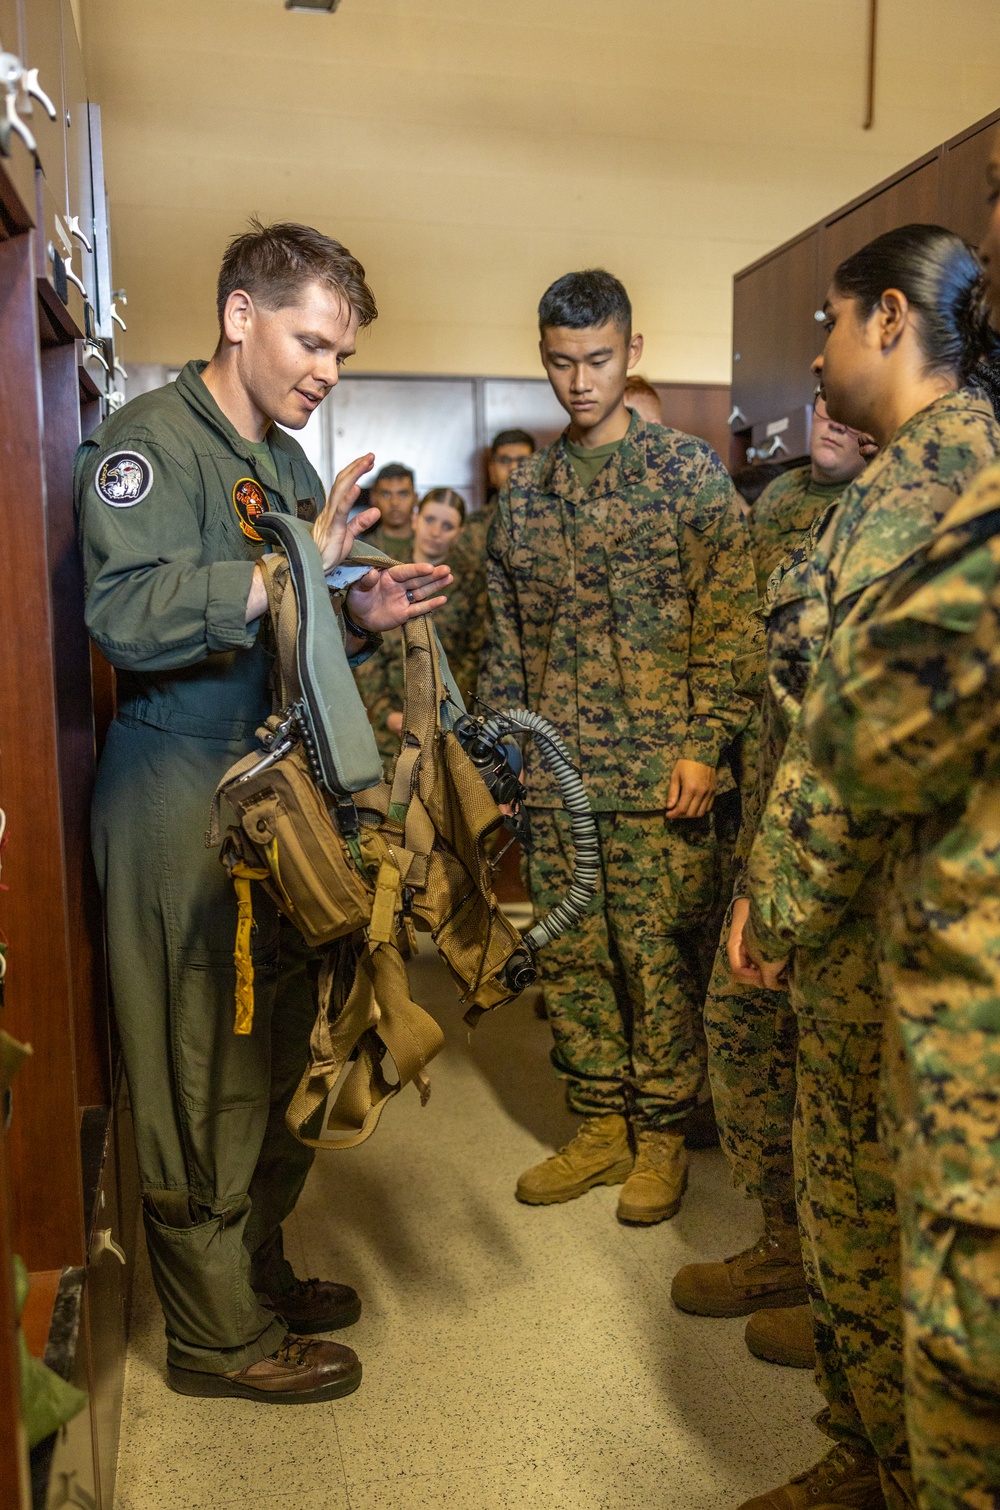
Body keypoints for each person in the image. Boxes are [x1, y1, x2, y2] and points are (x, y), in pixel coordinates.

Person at [77, 220, 452, 1405]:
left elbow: (293, 606)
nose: (326, 370)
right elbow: (124, 612)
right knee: (202, 1070)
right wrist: (288, 573)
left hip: (274, 794)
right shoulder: (146, 445)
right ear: (241, 315)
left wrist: (356, 609)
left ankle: (251, 1264)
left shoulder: (286, 465)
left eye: (339, 352)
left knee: (285, 1043)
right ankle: (214, 1336)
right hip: (179, 791)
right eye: (311, 340)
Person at [732, 225, 1000, 1510]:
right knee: (859, 1208)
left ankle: (890, 1464)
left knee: (870, 1213)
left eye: (830, 324)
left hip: (887, 931)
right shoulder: (906, 477)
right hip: (869, 927)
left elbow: (855, 746)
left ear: (888, 319)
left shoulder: (931, 492)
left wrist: (775, 904)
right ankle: (868, 1443)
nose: (820, 352)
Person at [480, 268, 756, 1225]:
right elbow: (506, 637)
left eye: (598, 360)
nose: (581, 382)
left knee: (658, 961)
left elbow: (732, 624)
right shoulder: (527, 491)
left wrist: (704, 743)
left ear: (632, 353)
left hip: (660, 780)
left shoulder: (686, 474)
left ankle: (663, 1136)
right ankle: (598, 1125)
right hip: (559, 779)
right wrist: (506, 759)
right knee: (573, 959)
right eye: (562, 363)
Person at [671, 386, 867, 1372]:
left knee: (849, 1082)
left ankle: (854, 1298)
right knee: (748, 1039)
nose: (828, 411)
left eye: (848, 398)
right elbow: (746, 656)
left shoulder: (912, 511)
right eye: (817, 397)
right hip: (766, 827)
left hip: (852, 852)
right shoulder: (777, 506)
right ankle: (792, 1246)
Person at [356, 487, 467, 754]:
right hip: (388, 729)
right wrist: (386, 714)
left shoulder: (470, 583)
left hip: (451, 729)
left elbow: (472, 656)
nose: (436, 532)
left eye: (448, 525)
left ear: (460, 533)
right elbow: (365, 643)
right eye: (430, 520)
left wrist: (457, 715)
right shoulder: (387, 572)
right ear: (415, 519)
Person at [447, 430, 536, 708]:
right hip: (485, 671)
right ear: (491, 468)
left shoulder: (555, 524)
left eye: (522, 461)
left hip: (543, 664)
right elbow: (456, 615)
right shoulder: (472, 532)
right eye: (504, 461)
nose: (513, 469)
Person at [364, 462, 417, 561]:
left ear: (415, 498)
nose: (394, 502)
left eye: (403, 494)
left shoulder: (431, 545)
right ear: (374, 498)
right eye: (386, 494)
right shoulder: (363, 550)